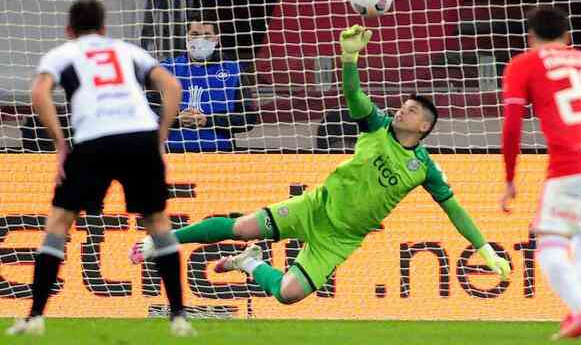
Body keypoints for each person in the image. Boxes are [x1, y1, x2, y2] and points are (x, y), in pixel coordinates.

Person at [129, 25, 511, 306]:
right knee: (242, 226)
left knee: (288, 294)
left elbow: (454, 209)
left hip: (340, 238)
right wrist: (349, 58)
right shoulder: (376, 125)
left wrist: (485, 249)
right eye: (403, 104)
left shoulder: (424, 167)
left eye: (411, 110)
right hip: (315, 206)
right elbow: (354, 94)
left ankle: (249, 264)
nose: (402, 109)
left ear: (423, 126)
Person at [6, 0, 195, 337]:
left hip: (94, 138)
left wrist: (61, 143)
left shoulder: (62, 54)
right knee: (157, 223)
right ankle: (179, 317)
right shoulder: (127, 50)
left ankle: (35, 316)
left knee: (60, 222)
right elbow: (172, 85)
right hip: (140, 136)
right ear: (104, 29)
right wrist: (161, 135)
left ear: (69, 30)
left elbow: (39, 94)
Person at [500, 7, 581, 340]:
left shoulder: (524, 64)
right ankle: (579, 306)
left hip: (572, 167)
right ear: (568, 37)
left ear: (531, 37)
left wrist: (510, 177)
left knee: (550, 244)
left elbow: (513, 125)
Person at [160, 10, 257, 152]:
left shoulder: (234, 70)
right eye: (195, 34)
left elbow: (248, 118)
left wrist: (208, 120)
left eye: (207, 35)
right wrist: (177, 119)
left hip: (219, 155)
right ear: (186, 37)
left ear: (217, 39)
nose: (200, 40)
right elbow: (146, 113)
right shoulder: (166, 69)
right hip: (173, 154)